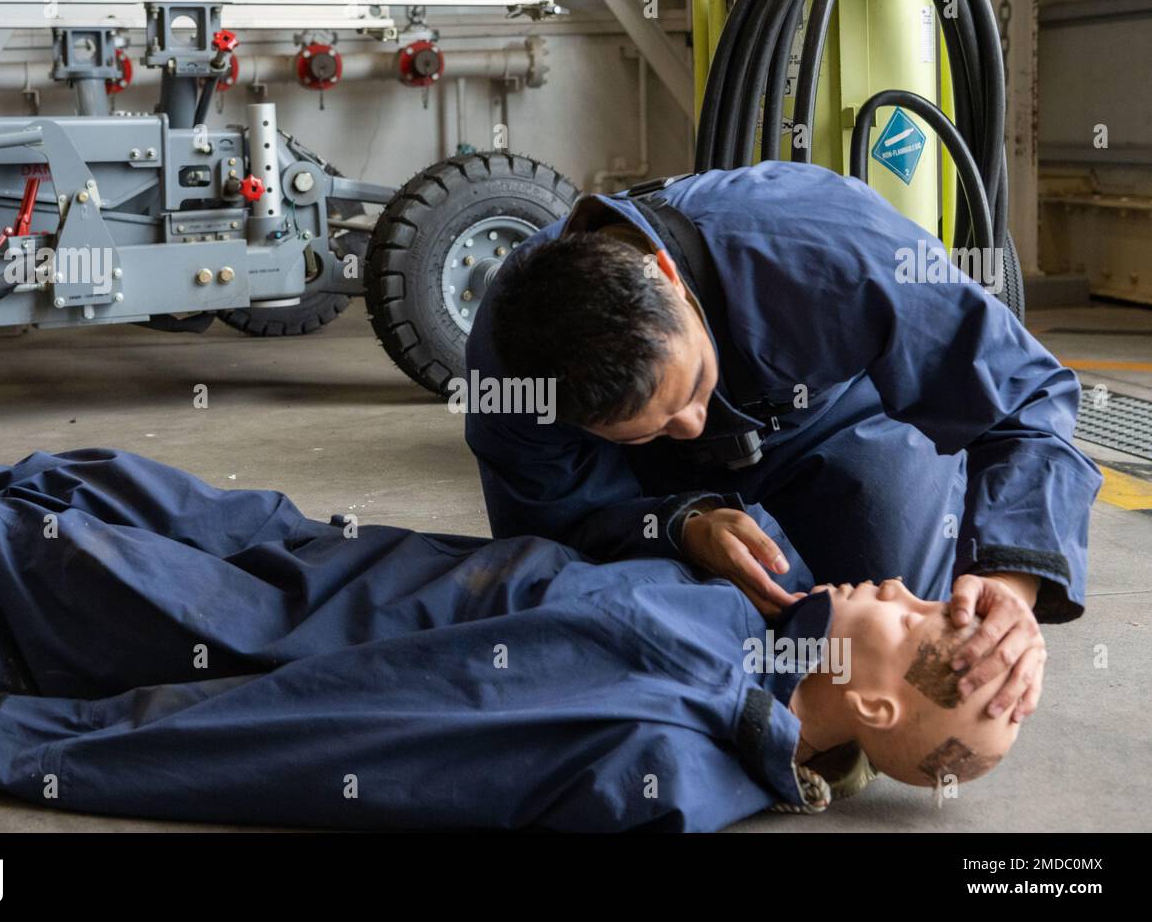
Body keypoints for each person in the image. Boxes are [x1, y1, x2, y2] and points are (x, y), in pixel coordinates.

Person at [0, 449, 1017, 832]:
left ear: (872, 707)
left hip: (322, 625)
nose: (904, 588)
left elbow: (368, 730)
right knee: (78, 484)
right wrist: (687, 520)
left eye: (913, 618)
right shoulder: (784, 623)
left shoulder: (657, 739)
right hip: (362, 558)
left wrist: (43, 741)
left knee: (17, 537)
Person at [465, 160, 1103, 728]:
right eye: (657, 425)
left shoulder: (822, 245)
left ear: (667, 276)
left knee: (883, 626)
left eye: (692, 390)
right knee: (637, 625)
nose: (692, 424)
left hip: (837, 420)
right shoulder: (514, 367)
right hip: (647, 484)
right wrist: (677, 524)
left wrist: (1011, 577)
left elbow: (1023, 393)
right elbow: (550, 527)